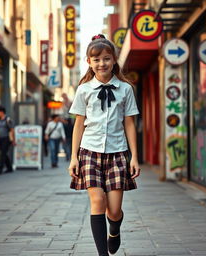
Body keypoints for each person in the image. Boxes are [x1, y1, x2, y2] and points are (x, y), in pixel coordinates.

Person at [68, 34, 141, 256]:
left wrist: (134, 157)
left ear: (114, 60)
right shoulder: (84, 90)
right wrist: (73, 157)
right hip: (89, 152)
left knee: (115, 209)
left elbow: (129, 123)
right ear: (89, 62)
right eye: (97, 59)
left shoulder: (125, 89)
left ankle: (115, 229)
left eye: (107, 58)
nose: (102, 63)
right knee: (97, 201)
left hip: (118, 153)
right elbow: (79, 124)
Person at [0, 105, 15, 174]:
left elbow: (12, 130)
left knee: (3, 153)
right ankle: (9, 168)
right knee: (4, 153)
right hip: (0, 139)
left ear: (1, 112)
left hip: (6, 138)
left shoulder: (8, 119)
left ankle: (0, 168)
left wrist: (13, 140)